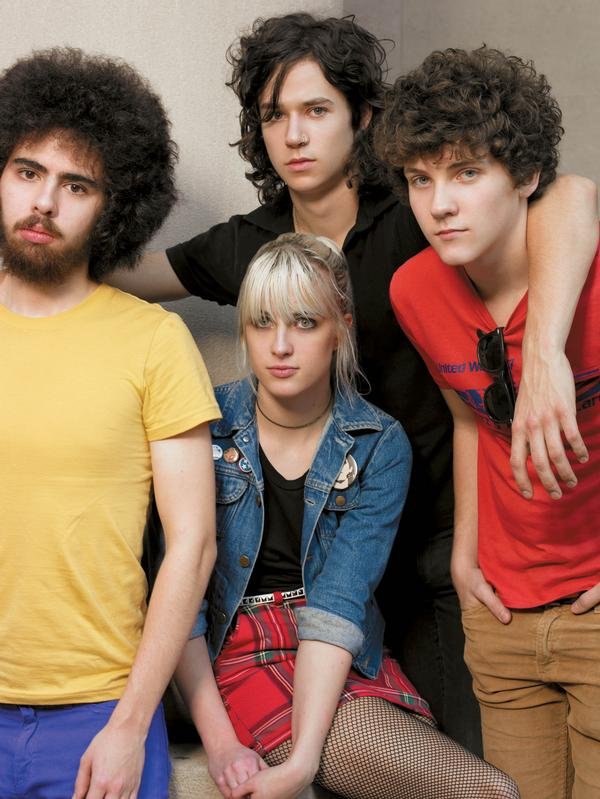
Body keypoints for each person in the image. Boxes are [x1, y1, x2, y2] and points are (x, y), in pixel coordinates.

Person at [110, 12, 598, 752]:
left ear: (363, 117)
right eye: (275, 115)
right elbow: (124, 278)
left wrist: (545, 353)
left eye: (316, 110)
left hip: (436, 544)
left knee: (466, 755)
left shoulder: (419, 215)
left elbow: (566, 196)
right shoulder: (251, 244)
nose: (294, 135)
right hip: (325, 561)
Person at [175, 231, 520, 799]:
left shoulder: (379, 443)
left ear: (341, 329)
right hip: (237, 650)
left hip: (339, 650)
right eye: (262, 322)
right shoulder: (202, 424)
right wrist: (221, 743)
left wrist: (301, 762)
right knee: (487, 793)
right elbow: (178, 600)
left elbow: (338, 603)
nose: (280, 345)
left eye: (304, 322)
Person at [0, 48, 221, 799]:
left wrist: (129, 724)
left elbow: (192, 544)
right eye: (28, 171)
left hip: (102, 711)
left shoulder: (154, 340)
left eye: (77, 184)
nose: (45, 202)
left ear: (113, 206)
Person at [381, 46, 600, 798]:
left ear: (526, 177)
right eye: (421, 179)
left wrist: (546, 353)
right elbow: (469, 417)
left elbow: (580, 192)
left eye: (466, 173)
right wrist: (466, 556)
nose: (439, 204)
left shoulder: (587, 274)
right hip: (502, 615)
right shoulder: (415, 291)